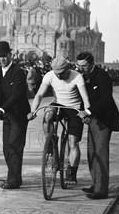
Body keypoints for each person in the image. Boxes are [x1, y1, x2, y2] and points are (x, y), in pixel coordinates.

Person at [28, 56, 91, 185]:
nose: (59, 77)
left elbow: (85, 98)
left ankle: (72, 173)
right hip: (59, 105)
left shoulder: (77, 76)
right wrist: (32, 111)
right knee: (47, 116)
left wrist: (86, 113)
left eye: (62, 73)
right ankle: (51, 144)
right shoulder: (49, 75)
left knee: (73, 143)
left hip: (74, 108)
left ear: (68, 68)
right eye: (56, 74)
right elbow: (39, 94)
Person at [76, 51, 119, 199]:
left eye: (84, 66)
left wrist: (88, 111)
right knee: (91, 152)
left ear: (91, 64)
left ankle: (101, 190)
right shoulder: (84, 77)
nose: (80, 69)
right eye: (79, 66)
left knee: (100, 153)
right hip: (92, 119)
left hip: (103, 120)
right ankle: (96, 183)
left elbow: (106, 99)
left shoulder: (103, 76)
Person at [0, 41, 30, 189]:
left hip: (19, 114)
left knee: (15, 146)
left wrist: (2, 109)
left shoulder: (18, 72)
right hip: (7, 115)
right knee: (7, 147)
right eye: (0, 56)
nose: (2, 59)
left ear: (10, 54)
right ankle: (14, 176)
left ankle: (13, 180)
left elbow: (17, 95)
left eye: (5, 56)